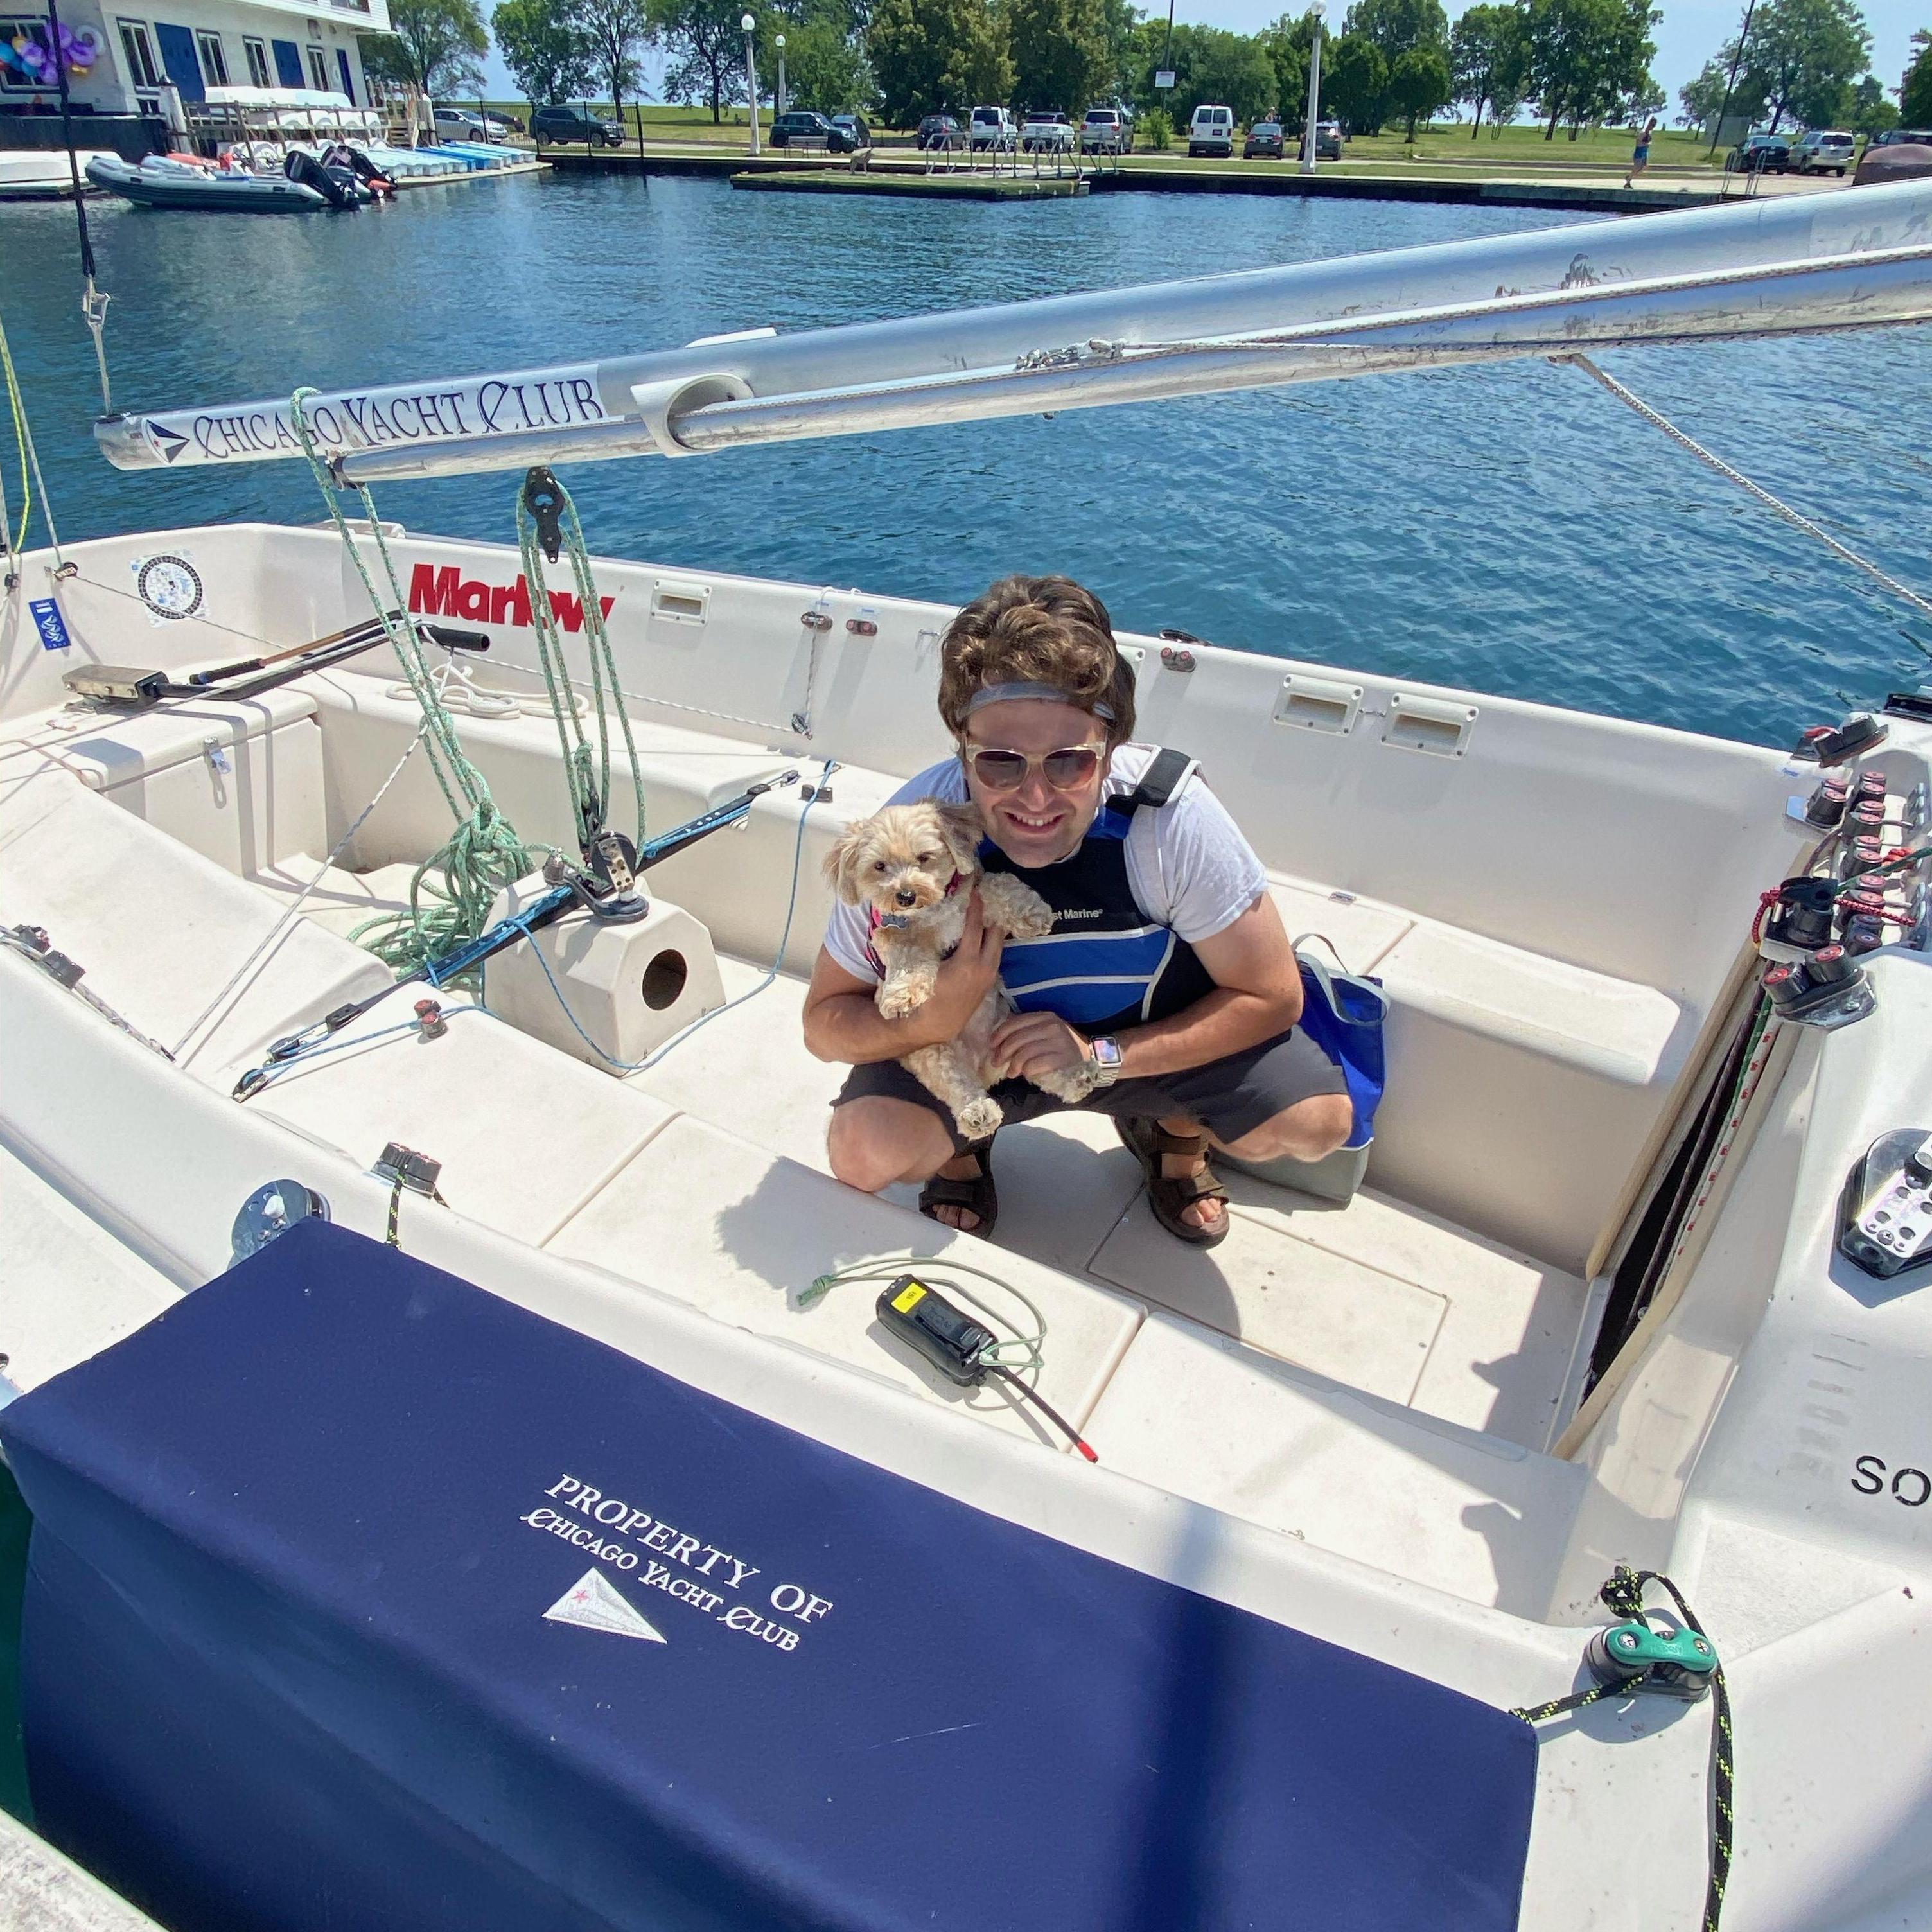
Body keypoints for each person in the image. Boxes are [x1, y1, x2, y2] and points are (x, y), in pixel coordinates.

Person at [802, 575, 1355, 1248]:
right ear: (961, 746)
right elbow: (824, 1025)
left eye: (1068, 761)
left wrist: (1101, 1054)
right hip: (979, 1050)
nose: (1034, 797)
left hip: (1136, 1045)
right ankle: (964, 1147)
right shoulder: (914, 833)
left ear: (1111, 748)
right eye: (1000, 762)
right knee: (863, 1152)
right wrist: (938, 1010)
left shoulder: (1168, 821)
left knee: (1315, 1121)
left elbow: (1272, 996)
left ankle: (1172, 1134)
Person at [1624, 116, 1656, 188]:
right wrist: (1646, 141)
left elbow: (1649, 142)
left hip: (1645, 151)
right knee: (1637, 167)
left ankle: (1629, 177)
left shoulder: (1649, 133)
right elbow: (1639, 141)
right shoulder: (1643, 132)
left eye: (1653, 125)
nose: (1652, 127)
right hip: (1639, 151)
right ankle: (1628, 180)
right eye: (1651, 124)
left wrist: (1648, 141)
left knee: (1643, 167)